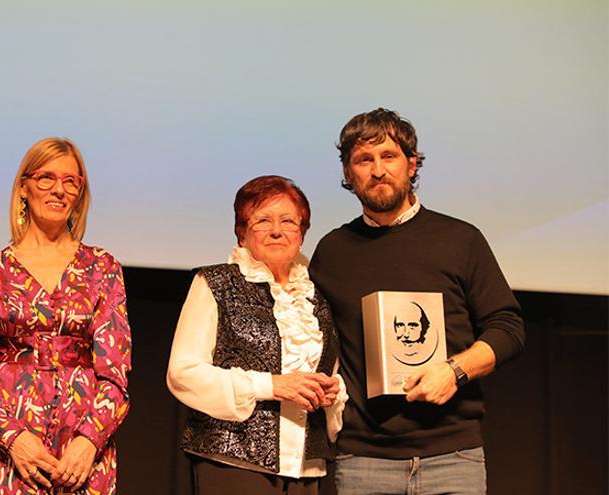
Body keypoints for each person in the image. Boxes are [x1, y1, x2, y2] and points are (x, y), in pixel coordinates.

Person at [309, 108, 525, 494]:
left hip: (453, 457)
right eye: (364, 160)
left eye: (389, 156)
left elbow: (508, 328)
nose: (378, 170)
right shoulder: (333, 251)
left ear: (411, 164)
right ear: (347, 174)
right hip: (362, 460)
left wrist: (455, 370)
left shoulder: (461, 240)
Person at [0, 137, 132, 495]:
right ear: (24, 187)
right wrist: (15, 440)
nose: (59, 190)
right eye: (46, 178)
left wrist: (88, 442)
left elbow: (116, 376)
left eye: (71, 181)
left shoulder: (102, 268)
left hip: (83, 457)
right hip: (5, 455)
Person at [167, 175, 347, 495]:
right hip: (234, 464)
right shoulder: (216, 284)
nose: (277, 230)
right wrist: (271, 385)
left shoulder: (316, 298)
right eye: (263, 220)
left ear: (302, 234)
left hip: (305, 470)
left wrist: (332, 393)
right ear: (242, 233)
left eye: (289, 221)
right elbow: (183, 373)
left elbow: (331, 375)